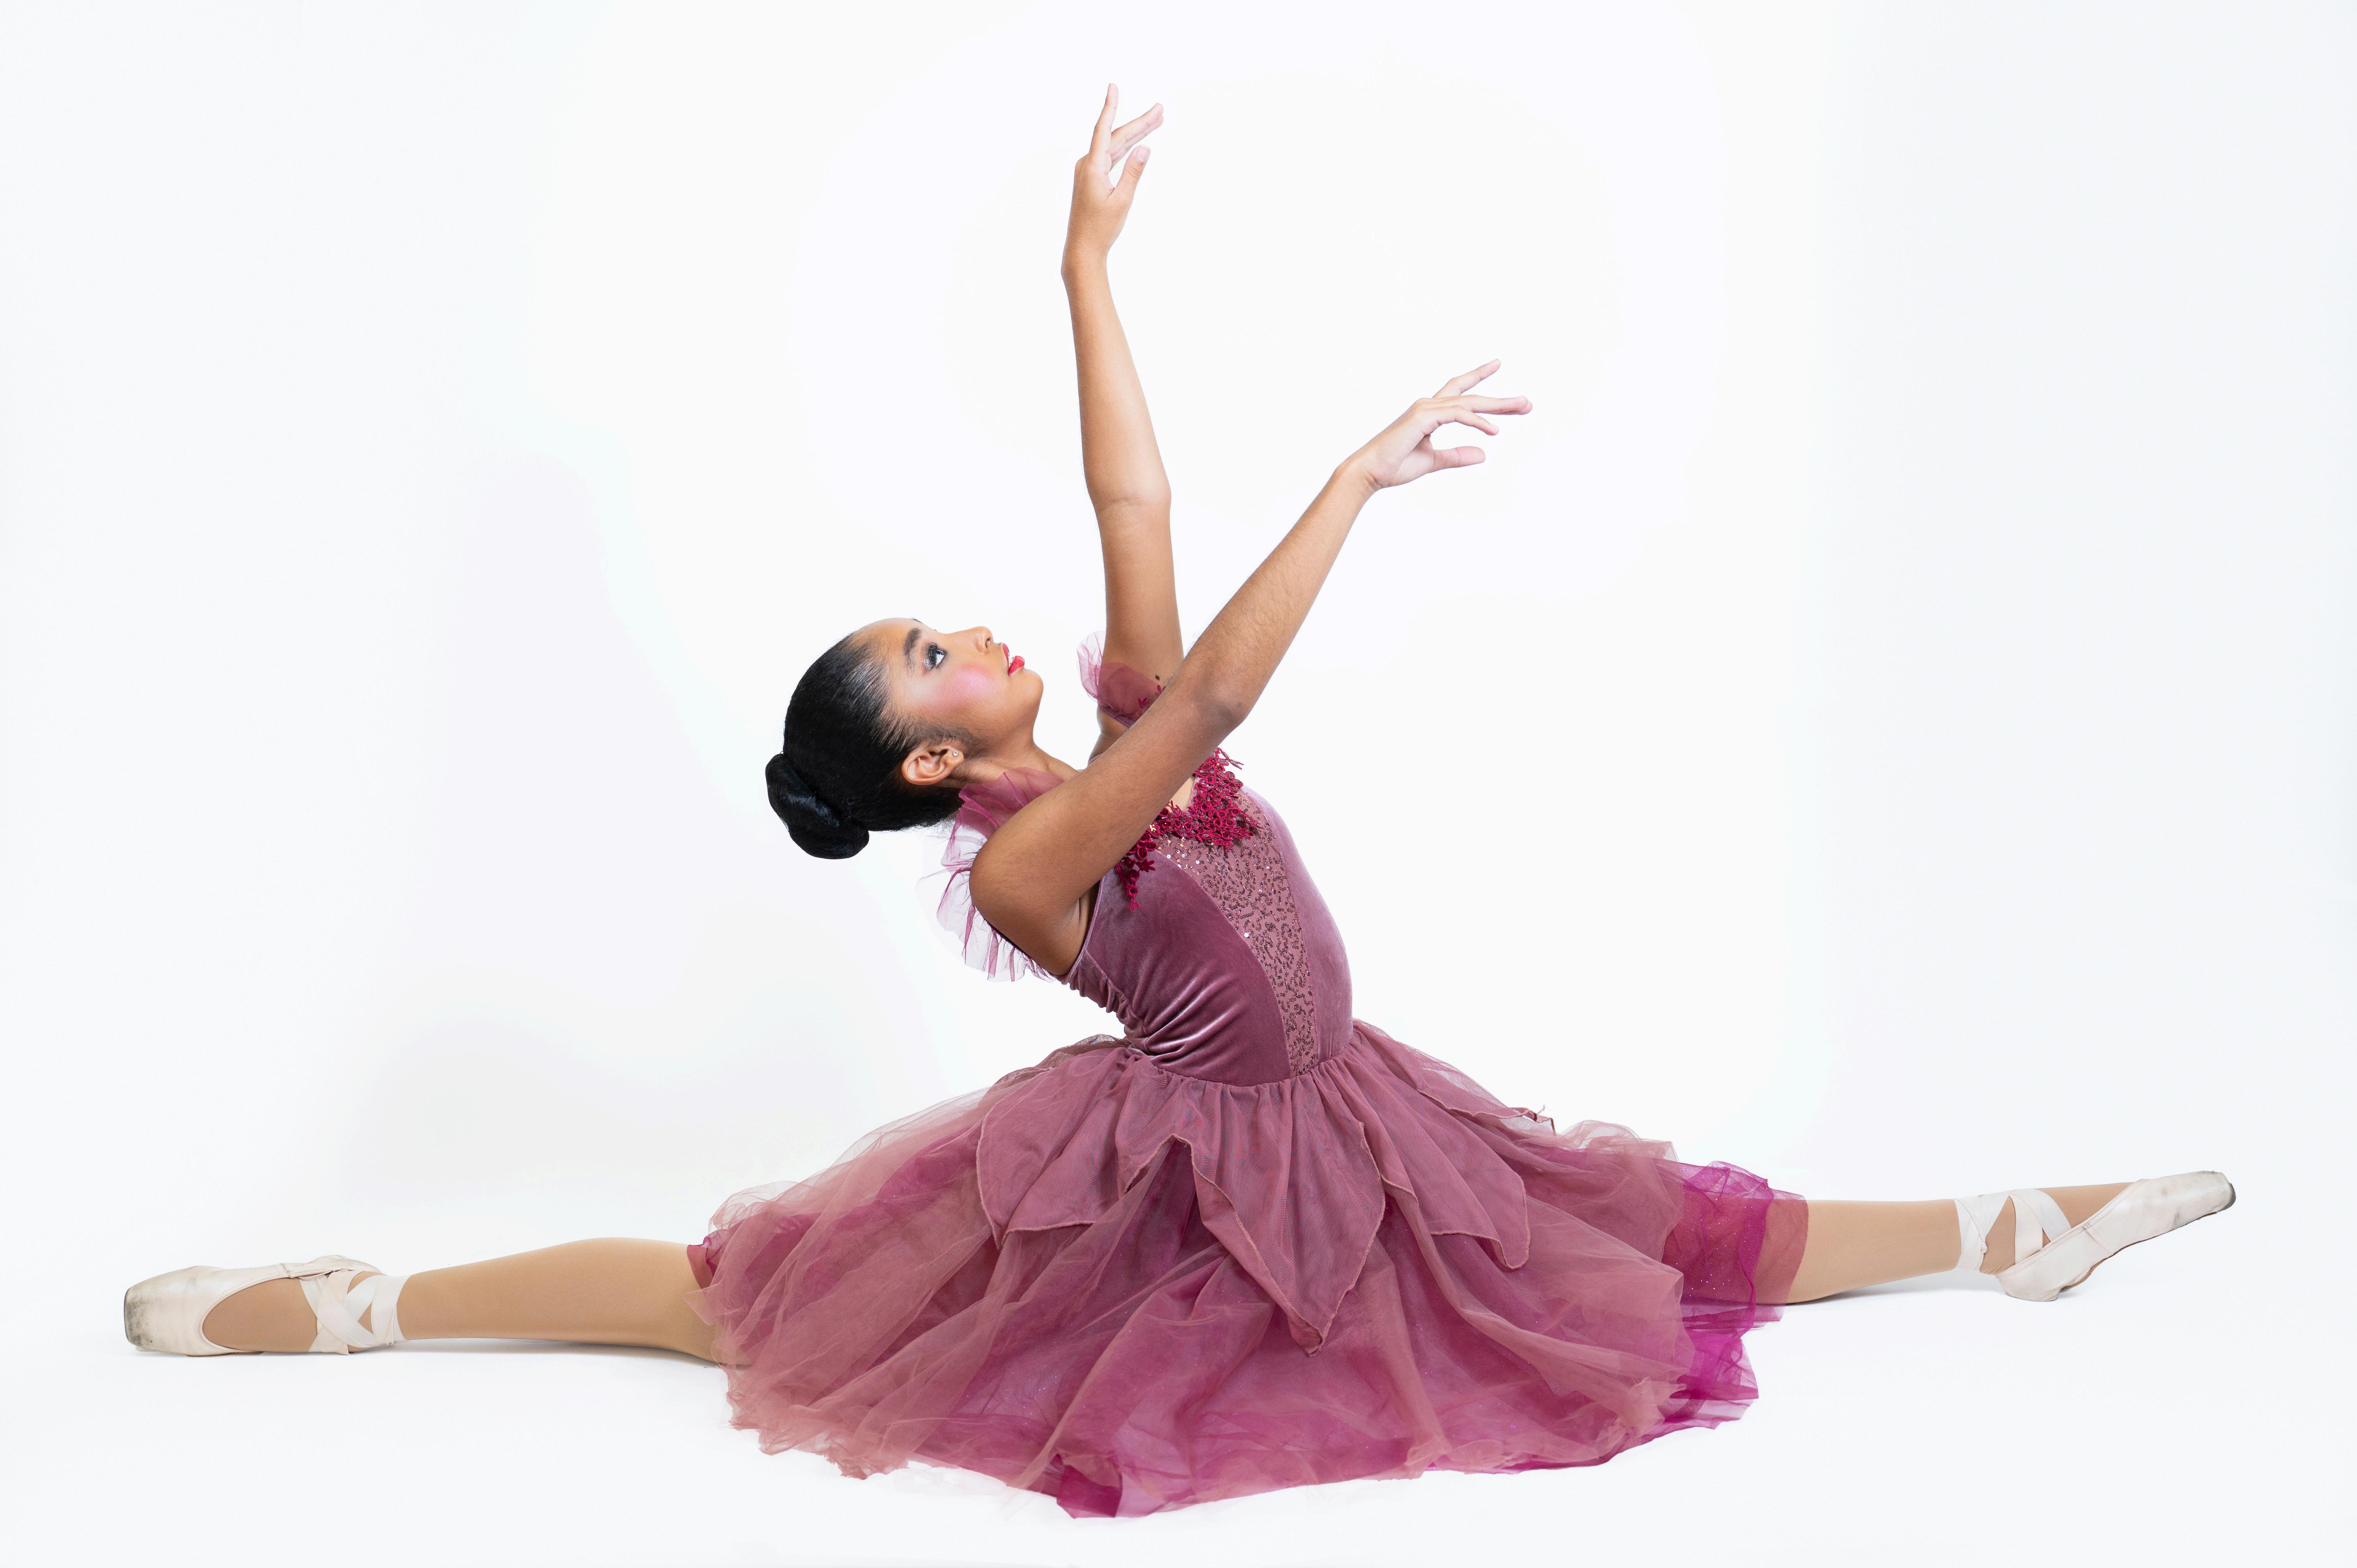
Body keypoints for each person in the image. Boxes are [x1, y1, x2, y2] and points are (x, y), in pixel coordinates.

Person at [124, 88, 2233, 1519]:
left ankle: (2008, 1237)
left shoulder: (1098, 736)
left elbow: (1131, 511)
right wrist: (1356, 478)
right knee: (729, 1297)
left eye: (945, 622)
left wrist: (1086, 268)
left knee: (1631, 1226)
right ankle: (356, 1302)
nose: (974, 632)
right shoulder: (1042, 848)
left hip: (1354, 1103)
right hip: (1194, 1169)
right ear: (935, 764)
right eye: (936, 654)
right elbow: (1221, 680)